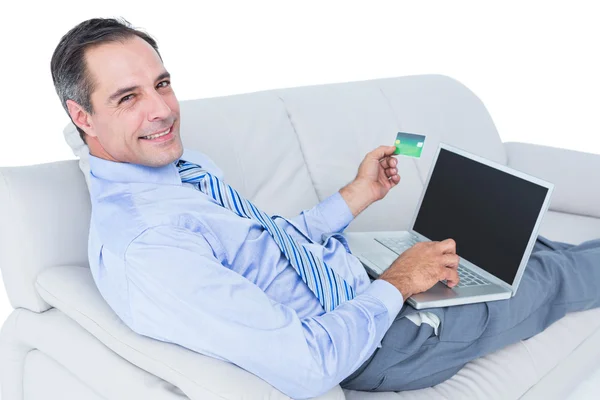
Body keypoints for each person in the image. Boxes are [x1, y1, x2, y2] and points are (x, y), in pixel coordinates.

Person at [50, 18, 600, 399]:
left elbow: (264, 244)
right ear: (82, 117)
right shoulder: (151, 245)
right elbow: (309, 363)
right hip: (382, 340)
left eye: (162, 84)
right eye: (128, 97)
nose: (162, 111)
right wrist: (400, 283)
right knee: (547, 275)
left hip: (359, 279)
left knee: (515, 249)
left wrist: (357, 195)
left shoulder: (175, 169)